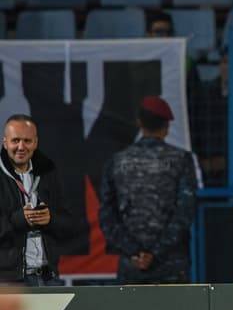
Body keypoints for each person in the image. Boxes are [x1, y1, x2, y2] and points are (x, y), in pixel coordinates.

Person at [98, 96, 200, 284]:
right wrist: (155, 252)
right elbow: (185, 212)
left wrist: (134, 252)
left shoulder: (117, 161)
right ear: (167, 126)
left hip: (132, 264)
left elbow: (107, 215)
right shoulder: (181, 160)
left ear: (139, 122)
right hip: (171, 264)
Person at [0, 114, 84, 286]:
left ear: (36, 143)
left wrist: (50, 220)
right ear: (5, 142)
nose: (21, 147)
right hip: (9, 281)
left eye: (27, 141)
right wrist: (19, 220)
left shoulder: (48, 173)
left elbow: (70, 224)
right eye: (15, 140)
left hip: (48, 277)